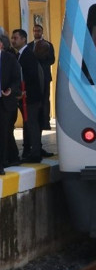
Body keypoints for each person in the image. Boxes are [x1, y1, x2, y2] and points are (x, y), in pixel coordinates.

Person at [11, 29, 44, 163]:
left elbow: (31, 76)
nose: (13, 40)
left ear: (24, 39)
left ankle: (35, 153)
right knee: (28, 124)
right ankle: (29, 150)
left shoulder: (28, 55)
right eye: (12, 38)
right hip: (23, 96)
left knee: (32, 124)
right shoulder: (18, 55)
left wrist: (25, 92)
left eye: (16, 38)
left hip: (31, 97)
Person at [0, 34, 22, 174]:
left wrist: (11, 90)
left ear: (1, 44)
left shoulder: (9, 59)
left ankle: (1, 163)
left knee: (3, 133)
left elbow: (16, 79)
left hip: (4, 101)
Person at [27, 24, 55, 134]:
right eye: (35, 31)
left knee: (45, 99)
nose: (36, 32)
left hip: (45, 77)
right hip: (33, 79)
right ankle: (36, 119)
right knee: (35, 100)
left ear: (42, 32)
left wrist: (41, 61)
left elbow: (52, 60)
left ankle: (45, 121)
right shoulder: (29, 46)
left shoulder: (48, 45)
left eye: (38, 30)